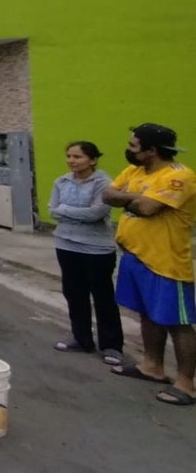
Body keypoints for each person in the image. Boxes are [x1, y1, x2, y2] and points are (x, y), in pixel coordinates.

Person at [101, 123, 196, 407]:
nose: (129, 150)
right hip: (135, 256)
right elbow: (108, 194)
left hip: (166, 261)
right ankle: (152, 367)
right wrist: (135, 198)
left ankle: (186, 383)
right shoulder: (136, 171)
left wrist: (130, 199)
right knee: (147, 314)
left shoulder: (179, 178)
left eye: (134, 146)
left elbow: (148, 208)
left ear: (152, 150)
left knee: (178, 322)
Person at [49, 141, 124, 365]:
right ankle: (81, 338)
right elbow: (53, 210)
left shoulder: (104, 183)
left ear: (92, 160)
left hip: (96, 248)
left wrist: (65, 210)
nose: (72, 161)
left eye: (78, 157)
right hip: (65, 244)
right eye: (69, 156)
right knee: (74, 293)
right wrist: (65, 211)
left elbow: (97, 212)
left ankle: (111, 345)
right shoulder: (61, 182)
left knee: (102, 296)